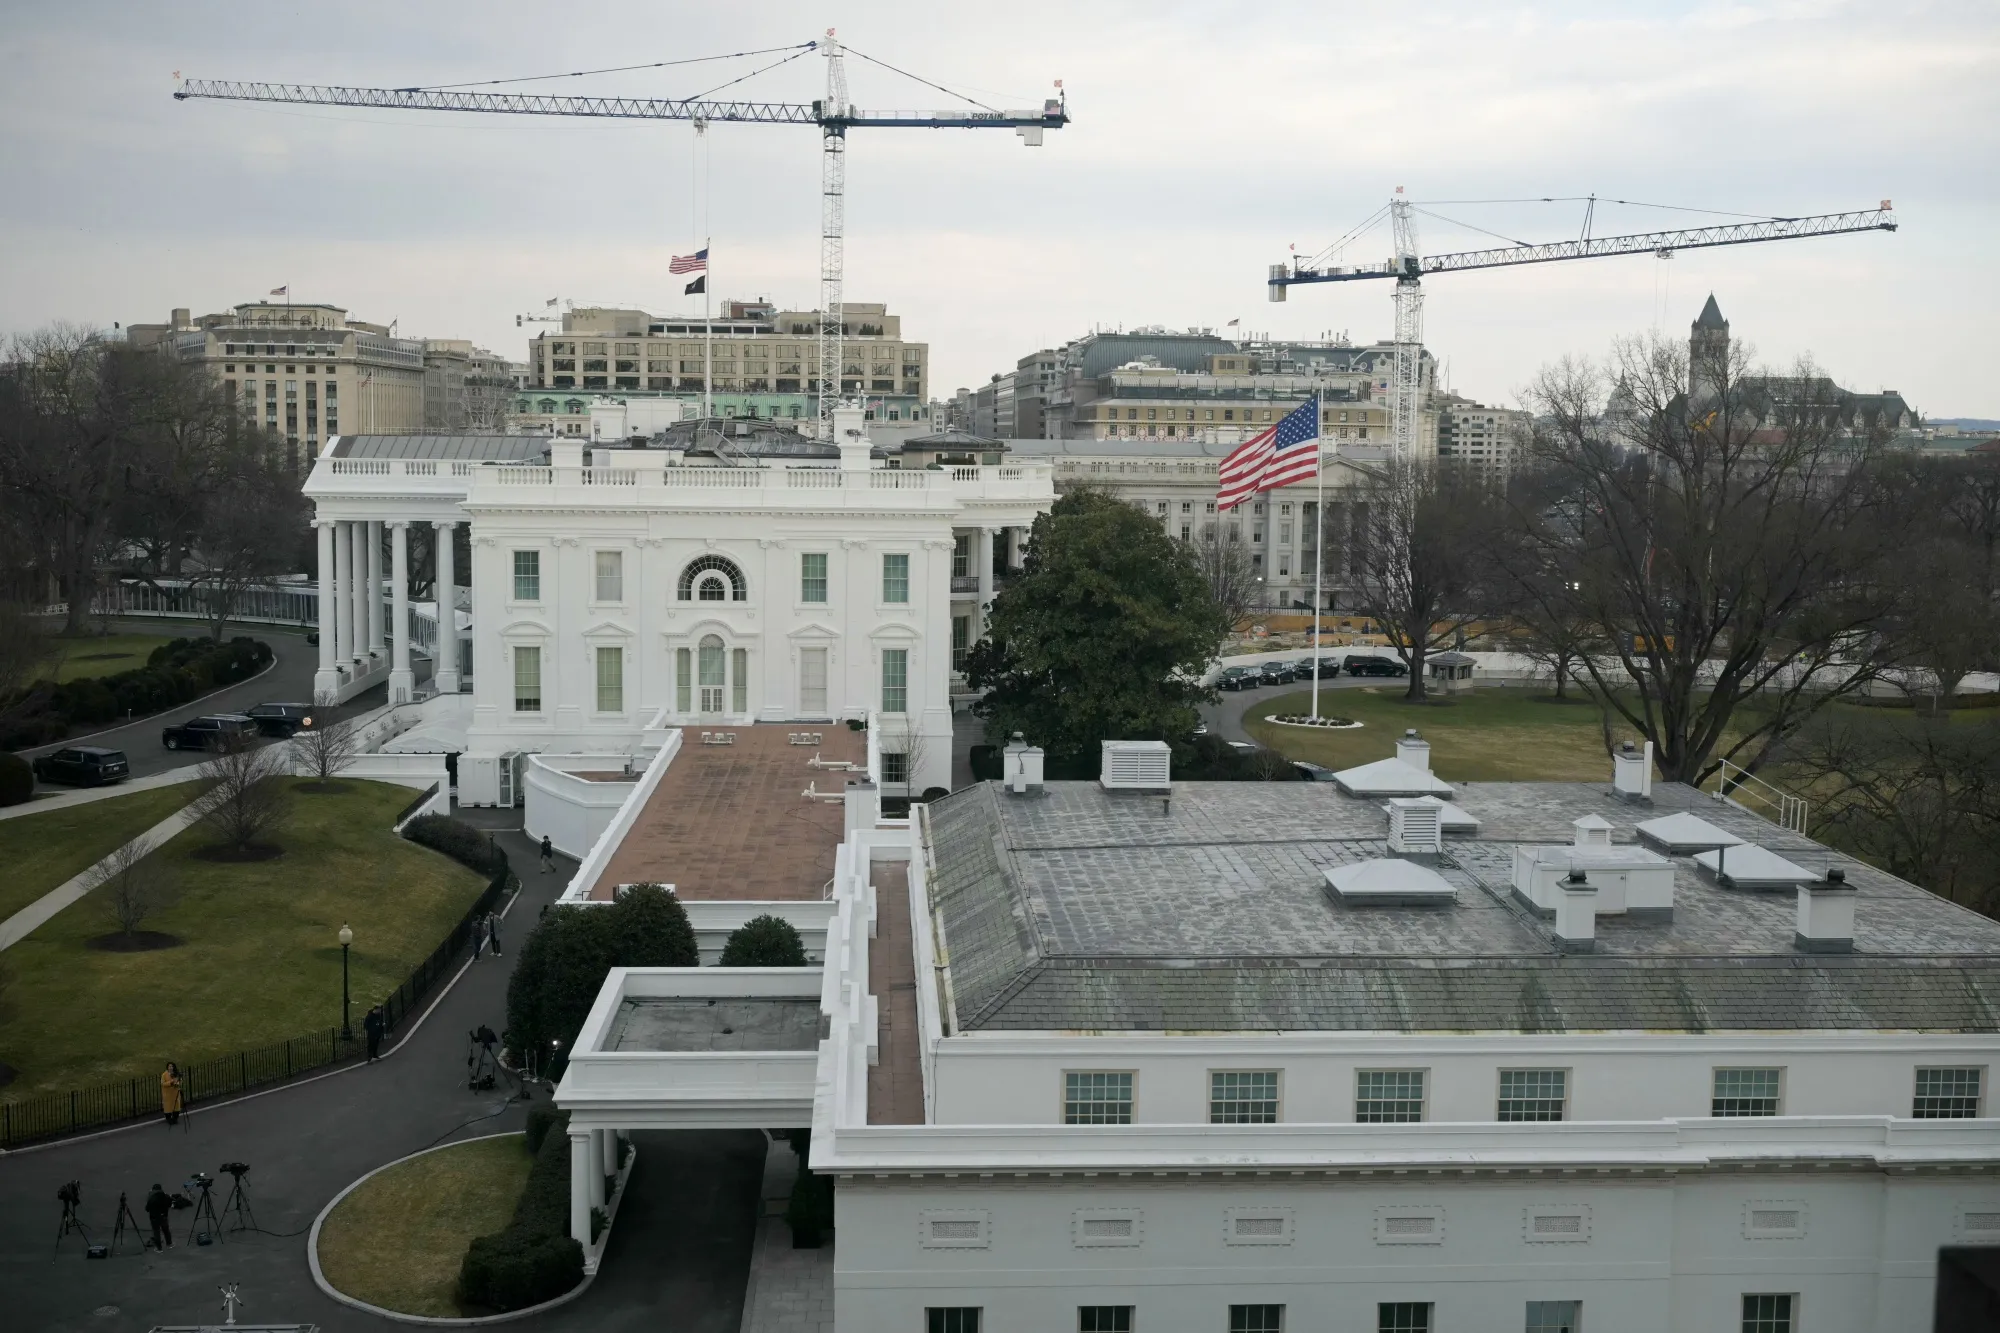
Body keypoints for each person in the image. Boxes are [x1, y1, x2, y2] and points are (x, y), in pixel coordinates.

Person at [144, 1182, 174, 1251]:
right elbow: (170, 1204)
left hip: (154, 1218)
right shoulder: (165, 1196)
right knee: (166, 1230)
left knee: (156, 1232)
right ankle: (169, 1244)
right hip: (164, 1216)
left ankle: (159, 1248)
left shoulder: (151, 1197)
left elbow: (147, 1209)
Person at [160, 1062, 183, 1127]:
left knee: (176, 1106)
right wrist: (171, 1082)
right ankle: (169, 1119)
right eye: (169, 1066)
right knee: (168, 1106)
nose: (170, 1068)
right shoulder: (164, 1075)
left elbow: (180, 1080)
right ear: (167, 1067)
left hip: (175, 1093)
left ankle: (175, 1118)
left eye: (172, 1066)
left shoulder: (176, 1073)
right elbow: (163, 1083)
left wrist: (177, 1083)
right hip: (167, 1094)